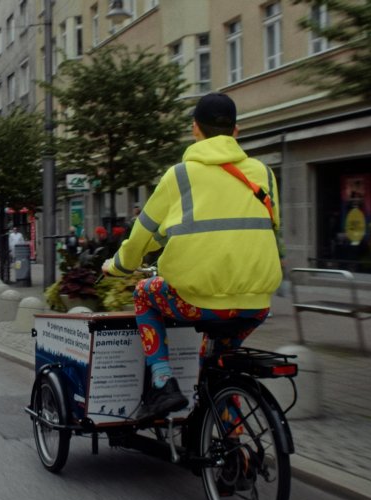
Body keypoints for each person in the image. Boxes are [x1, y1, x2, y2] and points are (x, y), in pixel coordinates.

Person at [102, 92, 282, 420]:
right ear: (236, 131)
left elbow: (143, 234)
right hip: (255, 304)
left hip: (198, 300)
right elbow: (267, 225)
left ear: (194, 129)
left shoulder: (180, 176)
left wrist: (118, 266)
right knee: (221, 364)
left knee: (144, 294)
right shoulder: (264, 174)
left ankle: (163, 383)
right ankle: (233, 446)